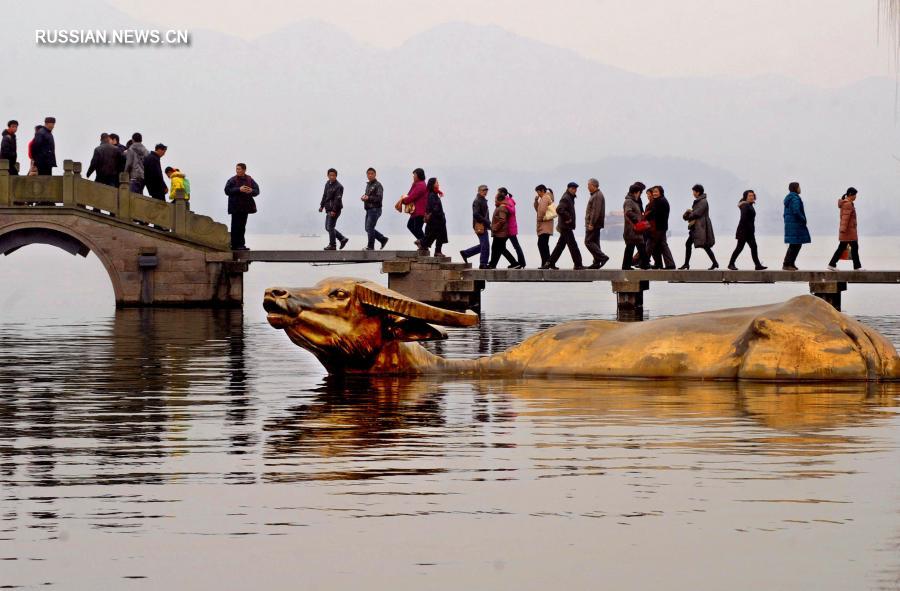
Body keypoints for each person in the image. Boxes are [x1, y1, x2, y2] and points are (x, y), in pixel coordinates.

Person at [543, 182, 585, 270]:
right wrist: (568, 218)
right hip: (566, 226)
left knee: (560, 246)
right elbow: (559, 209)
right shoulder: (566, 198)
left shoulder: (569, 197)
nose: (575, 190)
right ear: (569, 188)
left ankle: (550, 262)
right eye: (573, 188)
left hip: (565, 226)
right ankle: (578, 264)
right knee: (573, 245)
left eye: (576, 189)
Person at [680, 184, 719, 270]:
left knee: (704, 245)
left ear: (698, 192)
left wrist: (688, 215)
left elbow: (698, 213)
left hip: (701, 227)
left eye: (694, 191)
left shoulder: (703, 201)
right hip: (698, 227)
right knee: (690, 244)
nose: (693, 193)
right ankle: (687, 264)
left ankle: (714, 263)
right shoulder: (700, 201)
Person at [224, 162, 260, 251]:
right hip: (235, 207)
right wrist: (239, 189)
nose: (237, 171)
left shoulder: (250, 179)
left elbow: (257, 191)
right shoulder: (232, 180)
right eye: (236, 169)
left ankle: (241, 245)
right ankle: (234, 245)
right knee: (235, 226)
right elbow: (227, 191)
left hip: (245, 207)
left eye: (239, 169)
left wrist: (251, 190)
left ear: (244, 170)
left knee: (242, 226)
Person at [728, 190, 766, 270]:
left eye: (752, 195)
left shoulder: (749, 205)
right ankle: (731, 264)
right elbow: (743, 219)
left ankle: (757, 265)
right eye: (749, 196)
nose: (752, 197)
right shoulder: (745, 206)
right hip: (744, 231)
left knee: (753, 247)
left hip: (749, 231)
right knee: (739, 248)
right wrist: (745, 231)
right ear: (746, 197)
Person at [827, 187, 862, 271]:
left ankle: (832, 264)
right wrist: (843, 229)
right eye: (855, 195)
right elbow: (845, 218)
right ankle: (856, 267)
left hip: (848, 230)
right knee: (854, 247)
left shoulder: (847, 203)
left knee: (843, 248)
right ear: (850, 194)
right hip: (848, 231)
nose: (856, 197)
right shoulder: (848, 204)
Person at [460, 184, 491, 269]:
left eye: (486, 190)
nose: (485, 192)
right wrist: (486, 222)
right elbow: (476, 214)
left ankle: (466, 253)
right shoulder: (477, 201)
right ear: (479, 191)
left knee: (484, 245)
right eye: (483, 190)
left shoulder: (483, 200)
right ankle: (483, 264)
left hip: (483, 225)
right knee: (485, 245)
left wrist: (489, 224)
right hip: (479, 225)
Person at [782, 181, 810, 271]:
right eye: (799, 187)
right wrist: (803, 219)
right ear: (795, 188)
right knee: (795, 245)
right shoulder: (795, 198)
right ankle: (787, 264)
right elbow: (796, 211)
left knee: (795, 245)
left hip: (791, 224)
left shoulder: (790, 198)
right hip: (796, 224)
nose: (800, 189)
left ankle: (791, 263)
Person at [647, 185, 675, 269]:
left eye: (656, 192)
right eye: (653, 192)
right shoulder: (660, 200)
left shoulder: (660, 201)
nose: (654, 194)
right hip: (661, 227)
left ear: (660, 192)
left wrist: (646, 216)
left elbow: (656, 215)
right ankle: (666, 264)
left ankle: (643, 262)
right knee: (661, 245)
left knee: (650, 245)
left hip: (658, 228)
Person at [622, 182, 649, 270]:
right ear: (636, 192)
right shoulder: (629, 201)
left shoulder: (633, 201)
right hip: (632, 229)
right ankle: (644, 265)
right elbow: (628, 212)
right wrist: (637, 220)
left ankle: (628, 266)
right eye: (639, 193)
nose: (639, 195)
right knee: (638, 247)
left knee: (633, 247)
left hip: (635, 230)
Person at [320, 168, 347, 250]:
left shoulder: (339, 186)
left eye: (333, 175)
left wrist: (334, 211)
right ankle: (342, 239)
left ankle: (332, 245)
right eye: (330, 175)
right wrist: (322, 206)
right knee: (327, 227)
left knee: (330, 227)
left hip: (335, 210)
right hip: (328, 209)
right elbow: (324, 195)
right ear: (327, 175)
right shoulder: (327, 183)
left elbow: (337, 200)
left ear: (336, 176)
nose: (332, 177)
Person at [584, 178, 609, 269]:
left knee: (588, 242)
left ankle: (603, 257)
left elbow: (596, 211)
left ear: (593, 185)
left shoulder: (597, 196)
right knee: (595, 242)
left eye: (588, 185)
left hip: (593, 224)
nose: (587, 187)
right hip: (595, 224)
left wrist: (591, 223)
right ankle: (597, 262)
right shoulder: (595, 195)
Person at [399, 168, 428, 247]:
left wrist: (403, 201)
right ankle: (423, 242)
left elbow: (412, 197)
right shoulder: (416, 184)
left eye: (414, 175)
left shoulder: (421, 185)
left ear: (419, 175)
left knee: (417, 228)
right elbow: (409, 194)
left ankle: (424, 243)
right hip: (415, 211)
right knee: (410, 226)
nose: (413, 177)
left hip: (420, 211)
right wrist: (404, 198)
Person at [361, 167, 388, 250]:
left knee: (369, 227)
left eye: (372, 173)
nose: (370, 175)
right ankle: (382, 239)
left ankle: (371, 246)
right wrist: (364, 197)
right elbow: (368, 196)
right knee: (367, 228)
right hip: (369, 210)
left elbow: (379, 198)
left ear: (375, 174)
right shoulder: (368, 185)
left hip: (375, 209)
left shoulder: (378, 185)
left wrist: (368, 198)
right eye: (368, 174)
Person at [422, 177, 448, 256]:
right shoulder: (432, 195)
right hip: (436, 220)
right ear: (432, 185)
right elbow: (434, 208)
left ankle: (436, 250)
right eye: (437, 183)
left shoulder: (434, 194)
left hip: (438, 220)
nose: (438, 184)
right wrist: (441, 215)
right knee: (435, 235)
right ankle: (436, 251)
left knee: (436, 235)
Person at [488, 191, 511, 269]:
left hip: (500, 233)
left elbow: (502, 220)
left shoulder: (502, 208)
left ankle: (514, 262)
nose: (494, 201)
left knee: (497, 249)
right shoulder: (501, 207)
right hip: (500, 232)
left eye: (495, 200)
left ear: (499, 200)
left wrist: (494, 227)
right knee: (497, 249)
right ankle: (492, 264)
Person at [504, 189, 526, 268]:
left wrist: (504, 205)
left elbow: (512, 211)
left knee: (515, 246)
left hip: (511, 228)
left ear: (503, 194)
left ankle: (520, 263)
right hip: (508, 228)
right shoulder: (507, 200)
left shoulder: (508, 201)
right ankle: (518, 263)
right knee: (501, 246)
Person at [534, 184, 555, 267]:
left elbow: (541, 211)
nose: (537, 194)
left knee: (541, 244)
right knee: (544, 245)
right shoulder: (545, 198)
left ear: (542, 190)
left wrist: (539, 219)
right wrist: (536, 201)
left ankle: (546, 263)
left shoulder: (545, 198)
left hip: (544, 226)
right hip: (546, 225)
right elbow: (538, 209)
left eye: (538, 192)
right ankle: (547, 263)